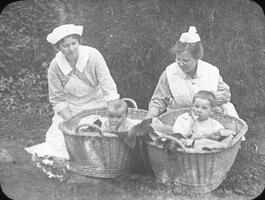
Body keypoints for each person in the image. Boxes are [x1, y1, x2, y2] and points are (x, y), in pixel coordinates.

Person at [25, 24, 119, 159]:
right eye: (66, 45)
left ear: (79, 42)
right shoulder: (55, 66)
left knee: (102, 133)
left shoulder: (93, 55)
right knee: (61, 141)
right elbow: (57, 99)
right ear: (59, 48)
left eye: (74, 43)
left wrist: (112, 112)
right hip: (72, 109)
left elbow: (108, 88)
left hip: (98, 104)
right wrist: (72, 122)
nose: (71, 48)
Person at [145, 26, 239, 119]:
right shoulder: (169, 73)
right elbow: (158, 101)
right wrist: (149, 118)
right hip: (181, 120)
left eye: (186, 60)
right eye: (178, 59)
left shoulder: (211, 71)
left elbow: (225, 94)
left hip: (210, 119)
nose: (181, 64)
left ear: (196, 58)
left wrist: (209, 100)